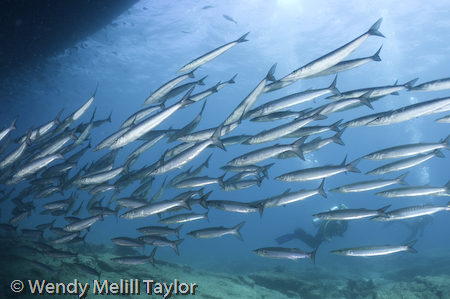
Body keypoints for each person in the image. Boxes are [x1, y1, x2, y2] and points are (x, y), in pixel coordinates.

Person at [275, 205, 349, 248]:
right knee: (314, 244)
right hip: (324, 230)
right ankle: (299, 232)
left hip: (325, 230)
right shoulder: (339, 221)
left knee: (314, 243)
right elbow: (337, 230)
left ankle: (298, 233)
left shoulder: (341, 221)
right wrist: (339, 233)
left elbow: (338, 230)